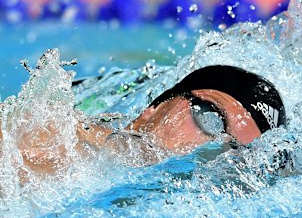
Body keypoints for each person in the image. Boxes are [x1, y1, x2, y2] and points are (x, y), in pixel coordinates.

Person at [0, 64, 287, 176]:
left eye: (235, 151)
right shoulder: (60, 134)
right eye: (210, 118)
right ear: (156, 106)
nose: (215, 150)